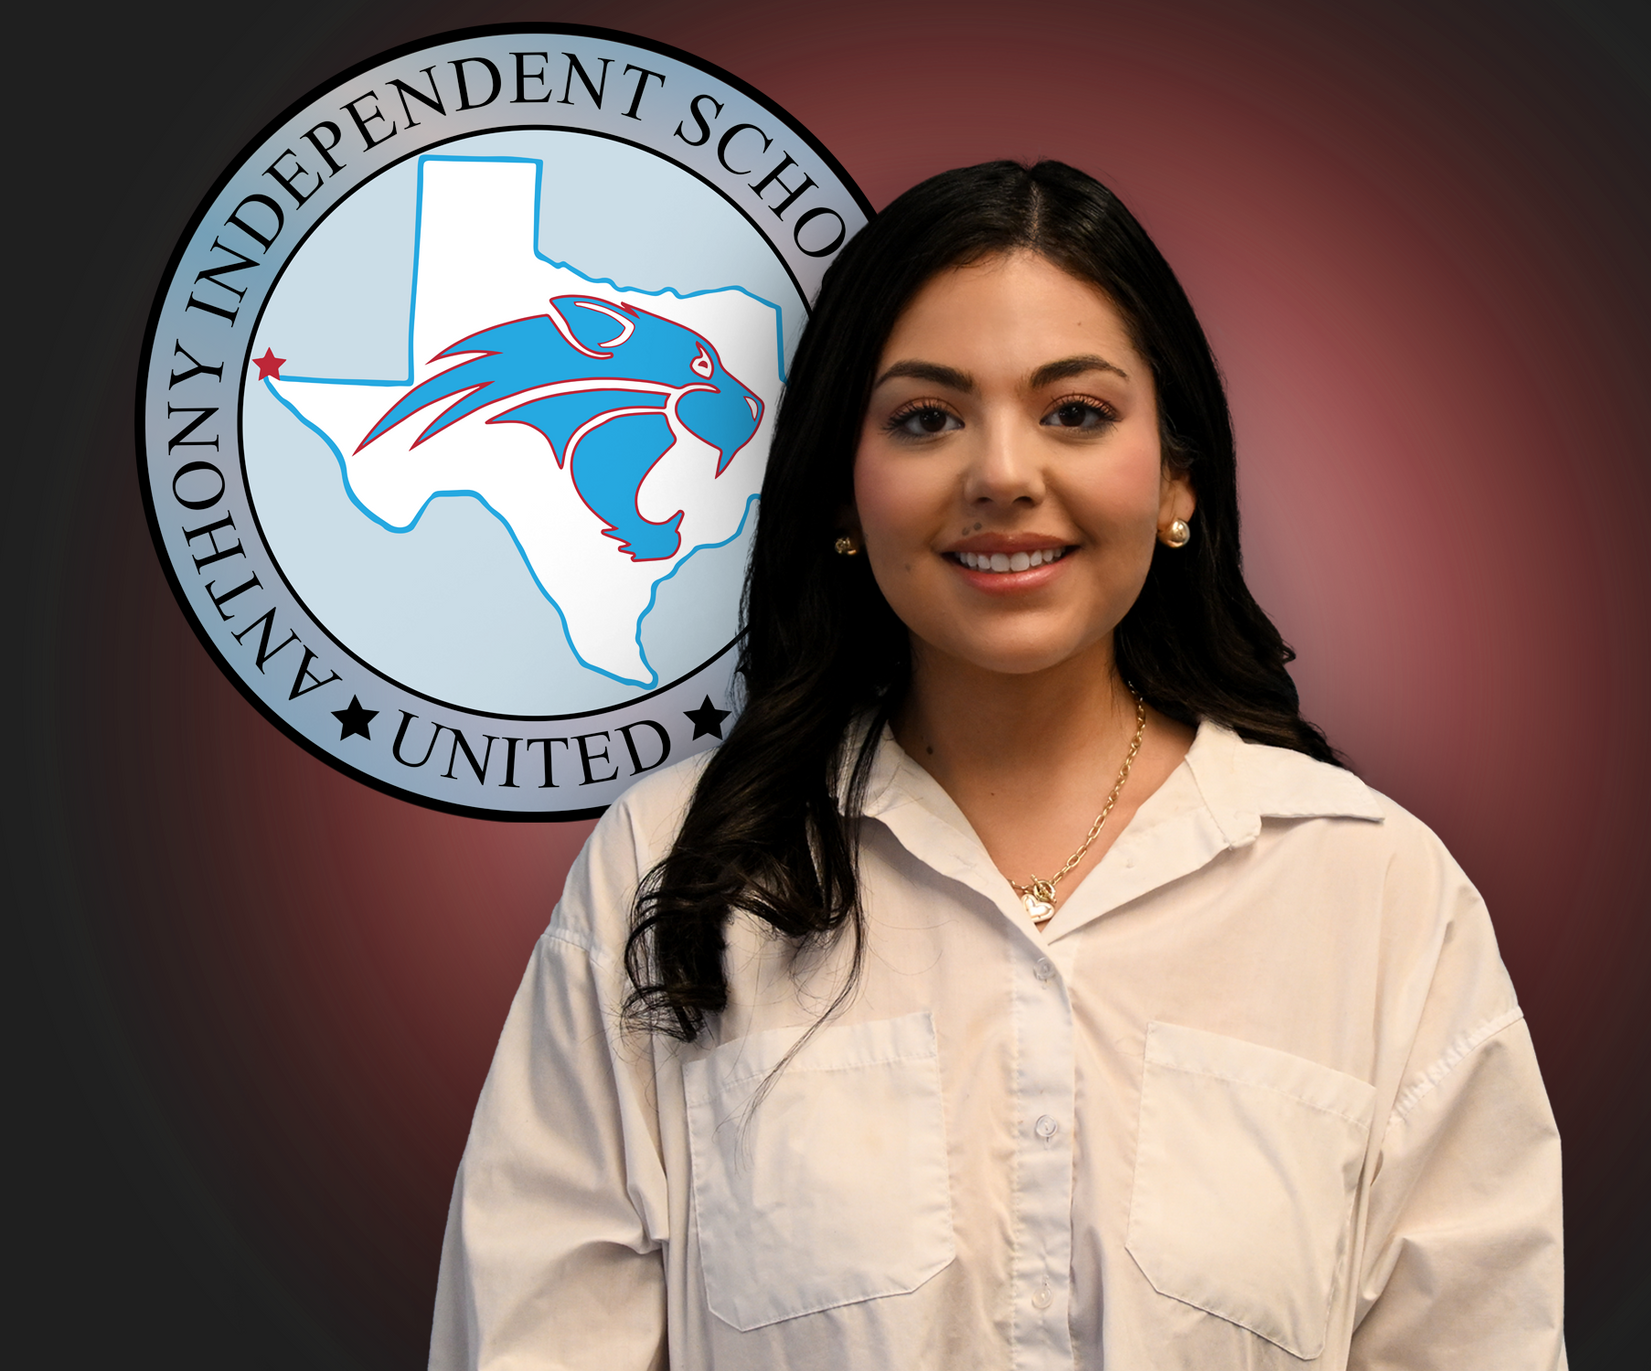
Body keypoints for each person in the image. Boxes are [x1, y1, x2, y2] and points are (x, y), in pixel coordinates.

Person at [429, 160, 1568, 1370]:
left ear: (1179, 477)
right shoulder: (670, 867)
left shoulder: (1376, 896)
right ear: (845, 491)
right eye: (927, 418)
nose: (1005, 476)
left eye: (1076, 412)